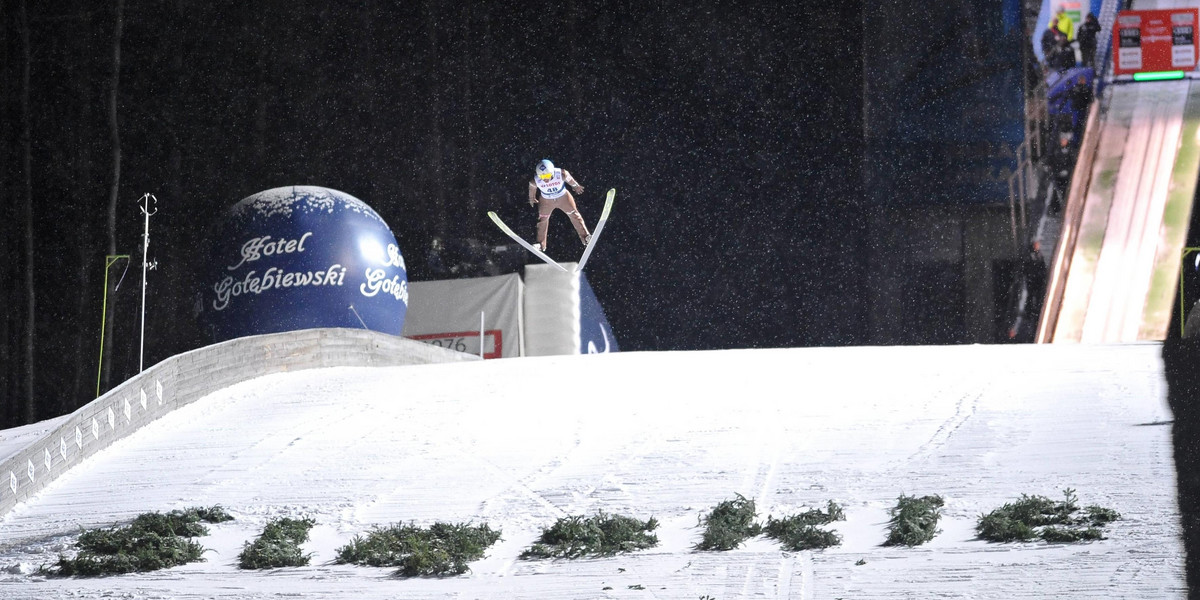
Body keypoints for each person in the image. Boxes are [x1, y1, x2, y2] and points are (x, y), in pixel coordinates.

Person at [528, 159, 590, 252]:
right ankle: (541, 244)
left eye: (547, 175)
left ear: (552, 172)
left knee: (574, 215)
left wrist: (576, 186)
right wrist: (532, 198)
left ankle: (585, 237)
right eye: (542, 176)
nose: (545, 179)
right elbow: (532, 189)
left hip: (563, 197)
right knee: (542, 220)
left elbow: (570, 180)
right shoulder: (535, 181)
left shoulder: (561, 174)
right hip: (546, 200)